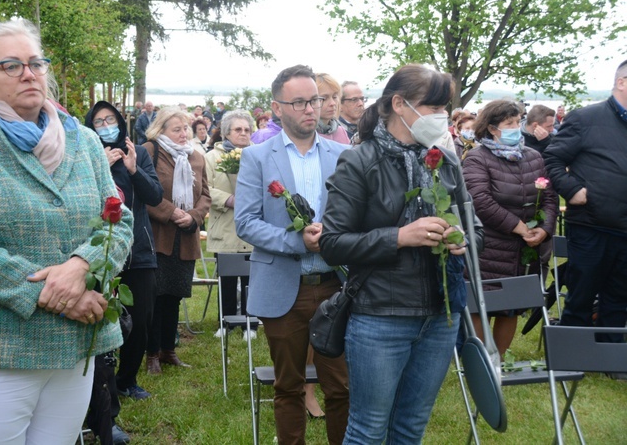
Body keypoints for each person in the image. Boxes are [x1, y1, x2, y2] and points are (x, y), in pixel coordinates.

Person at [0, 18, 133, 443]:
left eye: (36, 63)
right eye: (11, 66)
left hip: (75, 347)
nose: (30, 74)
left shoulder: (85, 142)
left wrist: (80, 265)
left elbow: (119, 220)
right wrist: (57, 294)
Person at [319, 64, 482, 444]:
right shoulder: (360, 161)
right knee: (369, 428)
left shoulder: (445, 160)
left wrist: (462, 238)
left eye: (446, 107)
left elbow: (475, 229)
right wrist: (399, 237)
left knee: (411, 426)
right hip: (381, 316)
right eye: (433, 107)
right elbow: (332, 242)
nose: (441, 116)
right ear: (399, 104)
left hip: (441, 316)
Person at [235, 64, 350, 445]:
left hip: (337, 286)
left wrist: (337, 237)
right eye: (299, 102)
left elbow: (357, 215)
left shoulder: (342, 154)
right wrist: (298, 242)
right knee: (288, 387)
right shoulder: (257, 157)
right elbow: (247, 223)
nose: (310, 109)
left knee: (342, 389)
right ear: (277, 107)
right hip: (286, 288)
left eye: (315, 100)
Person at [544, 60, 627, 371]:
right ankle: (571, 359)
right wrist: (572, 189)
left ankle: (611, 361)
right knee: (581, 292)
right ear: (622, 82)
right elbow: (552, 157)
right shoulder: (586, 118)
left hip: (625, 229)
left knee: (619, 296)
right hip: (592, 225)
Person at [84, 100, 163, 410]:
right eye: (99, 122)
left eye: (110, 120)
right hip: (101, 250)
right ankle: (103, 379)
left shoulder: (138, 152)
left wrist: (133, 170)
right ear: (90, 128)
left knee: (142, 317)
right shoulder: (86, 156)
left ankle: (127, 380)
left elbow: (155, 196)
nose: (106, 126)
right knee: (104, 315)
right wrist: (101, 167)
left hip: (138, 248)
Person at [462, 99, 558, 354]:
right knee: (480, 304)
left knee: (511, 306)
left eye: (518, 121)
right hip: (489, 248)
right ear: (493, 128)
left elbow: (549, 196)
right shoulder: (477, 159)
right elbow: (479, 201)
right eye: (509, 123)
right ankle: (481, 361)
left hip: (524, 249)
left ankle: (500, 359)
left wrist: (544, 229)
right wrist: (518, 226)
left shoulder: (534, 157)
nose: (517, 127)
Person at [143, 108, 211, 373]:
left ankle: (169, 351)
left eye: (186, 129)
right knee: (155, 298)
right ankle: (151, 355)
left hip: (185, 237)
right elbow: (143, 191)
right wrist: (171, 212)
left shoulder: (196, 157)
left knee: (174, 296)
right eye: (177, 129)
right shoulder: (149, 151)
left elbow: (205, 194)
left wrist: (194, 216)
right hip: (158, 235)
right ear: (161, 131)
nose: (184, 134)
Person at [204, 110, 256, 339]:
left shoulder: (258, 155)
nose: (243, 133)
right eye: (238, 129)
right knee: (226, 277)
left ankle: (250, 324)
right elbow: (205, 188)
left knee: (250, 278)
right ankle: (224, 323)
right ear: (226, 133)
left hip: (252, 228)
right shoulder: (211, 157)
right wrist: (229, 199)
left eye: (247, 129)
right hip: (225, 224)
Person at [315, 73, 350, 145]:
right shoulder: (305, 135)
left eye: (334, 97)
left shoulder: (340, 132)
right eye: (324, 98)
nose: (333, 103)